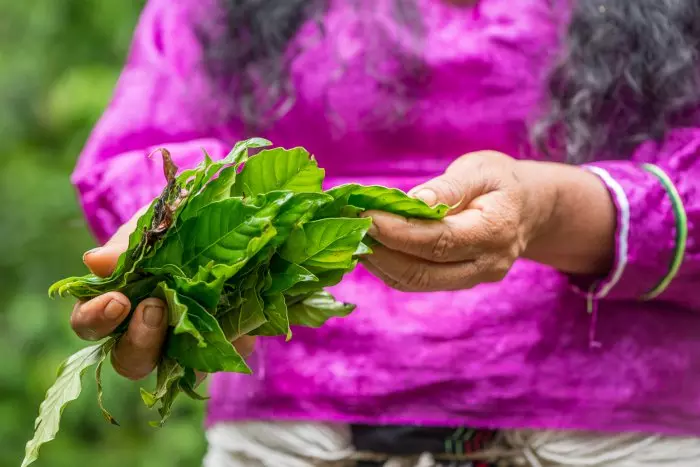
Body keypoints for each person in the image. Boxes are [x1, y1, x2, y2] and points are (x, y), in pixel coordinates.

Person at [68, 0, 700, 465]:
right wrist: (180, 247)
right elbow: (146, 143)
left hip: (610, 443)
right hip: (299, 443)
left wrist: (552, 211)